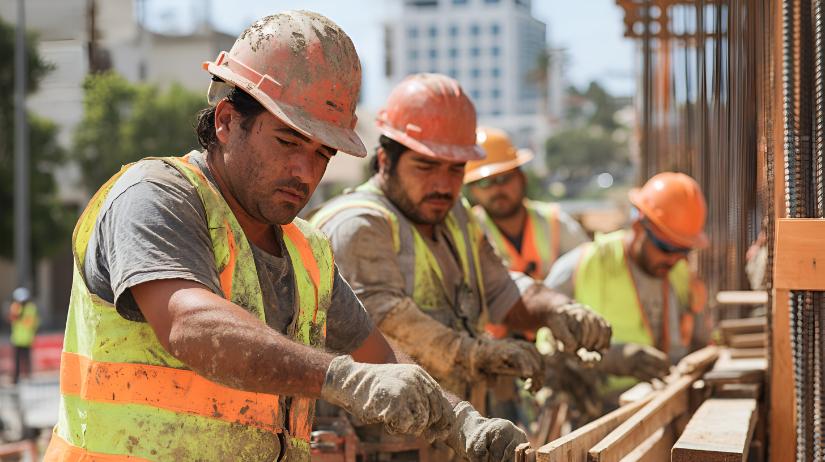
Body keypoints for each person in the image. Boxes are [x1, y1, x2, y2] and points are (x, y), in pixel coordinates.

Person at [45, 13, 526, 462]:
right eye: (288, 141)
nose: (305, 170)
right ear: (227, 121)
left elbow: (376, 358)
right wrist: (339, 377)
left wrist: (461, 421)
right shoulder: (155, 195)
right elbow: (189, 324)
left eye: (322, 153)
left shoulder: (307, 251)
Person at [311, 73, 612, 421]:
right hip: (379, 442)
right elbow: (382, 324)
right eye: (425, 166)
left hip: (446, 430)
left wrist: (555, 308)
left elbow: (501, 287)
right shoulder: (359, 224)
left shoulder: (456, 216)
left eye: (456, 169)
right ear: (384, 160)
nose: (442, 184)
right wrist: (475, 354)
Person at [546, 172, 710, 401]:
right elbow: (543, 333)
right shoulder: (585, 264)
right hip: (598, 408)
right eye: (666, 248)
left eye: (683, 250)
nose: (674, 259)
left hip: (663, 399)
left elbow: (698, 336)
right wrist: (608, 358)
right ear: (639, 227)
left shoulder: (679, 273)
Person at [465, 126, 589, 340]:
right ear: (473, 190)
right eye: (485, 183)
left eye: (504, 178)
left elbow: (589, 270)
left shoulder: (555, 222)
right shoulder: (467, 231)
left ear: (522, 178)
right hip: (496, 350)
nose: (497, 189)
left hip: (557, 343)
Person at [8, 287, 38, 384]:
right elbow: (12, 318)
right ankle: (15, 379)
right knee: (16, 361)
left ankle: (28, 377)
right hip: (16, 339)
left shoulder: (31, 308)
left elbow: (31, 322)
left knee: (26, 360)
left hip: (27, 339)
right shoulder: (15, 307)